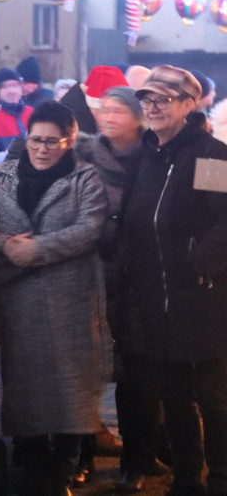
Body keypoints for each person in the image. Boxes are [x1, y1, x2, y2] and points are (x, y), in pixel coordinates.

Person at [0, 101, 110, 496]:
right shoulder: (6, 177)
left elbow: (89, 228)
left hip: (72, 299)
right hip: (19, 301)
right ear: (25, 138)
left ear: (68, 142)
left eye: (53, 141)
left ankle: (64, 467)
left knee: (71, 387)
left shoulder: (85, 179)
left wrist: (37, 249)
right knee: (26, 385)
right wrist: (3, 246)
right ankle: (31, 463)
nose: (43, 148)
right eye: (36, 140)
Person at [121, 66, 227, 496]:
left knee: (215, 398)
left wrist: (197, 264)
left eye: (164, 99)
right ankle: (187, 479)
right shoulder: (145, 156)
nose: (153, 107)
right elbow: (130, 219)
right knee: (175, 398)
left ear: (188, 104)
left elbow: (224, 220)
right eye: (148, 99)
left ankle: (220, 477)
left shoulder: (209, 155)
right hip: (153, 299)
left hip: (202, 299)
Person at [73, 86, 157, 493]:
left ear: (138, 117)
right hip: (92, 276)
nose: (109, 117)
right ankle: (82, 454)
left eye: (119, 110)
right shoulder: (84, 156)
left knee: (138, 373)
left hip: (139, 280)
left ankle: (137, 459)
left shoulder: (155, 157)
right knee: (86, 371)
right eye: (104, 109)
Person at [0, 67, 33, 151]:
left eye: (15, 85)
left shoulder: (33, 113)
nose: (12, 91)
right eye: (5, 87)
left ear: (21, 89)